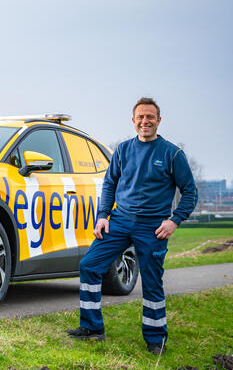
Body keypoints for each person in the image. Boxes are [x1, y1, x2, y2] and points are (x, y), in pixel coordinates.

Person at [66, 97, 197, 354]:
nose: (145, 121)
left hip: (153, 227)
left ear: (159, 121)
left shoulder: (172, 154)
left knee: (151, 282)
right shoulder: (123, 151)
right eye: (140, 117)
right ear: (133, 121)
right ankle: (92, 328)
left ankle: (156, 339)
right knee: (89, 265)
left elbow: (190, 192)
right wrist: (103, 214)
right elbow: (110, 184)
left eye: (150, 117)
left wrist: (174, 220)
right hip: (120, 221)